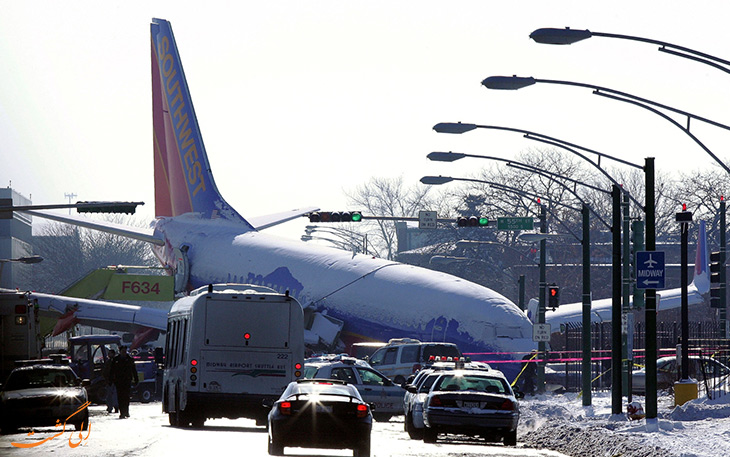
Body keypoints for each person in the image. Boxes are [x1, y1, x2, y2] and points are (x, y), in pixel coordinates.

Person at [110, 345, 138, 418]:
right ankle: (122, 412)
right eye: (123, 351)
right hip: (119, 381)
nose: (124, 353)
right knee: (120, 397)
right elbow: (111, 371)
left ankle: (126, 411)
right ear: (120, 351)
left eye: (125, 351)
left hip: (127, 381)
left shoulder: (129, 359)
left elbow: (134, 370)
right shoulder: (116, 360)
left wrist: (136, 379)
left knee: (126, 397)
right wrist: (111, 380)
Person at [102, 349, 119, 414]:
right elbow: (105, 371)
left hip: (113, 381)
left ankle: (115, 407)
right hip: (109, 381)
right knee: (110, 395)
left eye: (110, 353)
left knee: (114, 395)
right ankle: (111, 407)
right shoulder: (109, 362)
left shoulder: (114, 362)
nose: (109, 355)